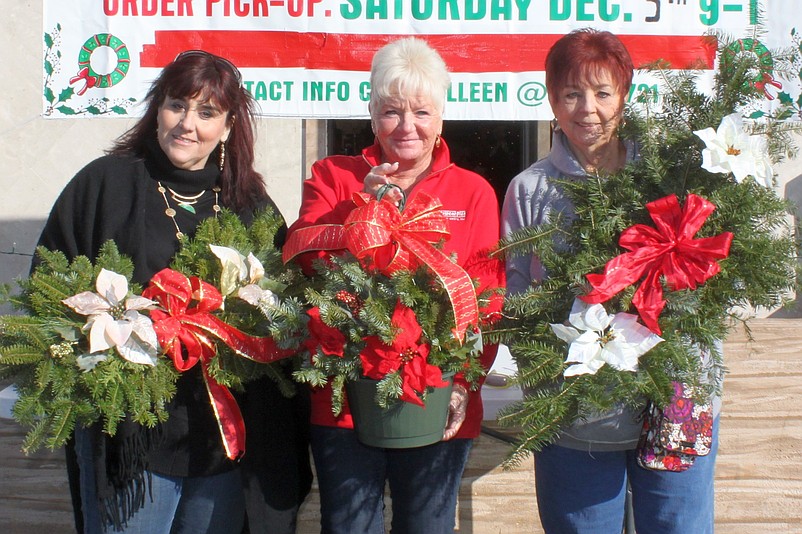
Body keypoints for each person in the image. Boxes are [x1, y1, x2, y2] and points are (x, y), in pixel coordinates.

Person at [36, 50, 311, 534]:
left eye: (207, 113)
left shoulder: (250, 205)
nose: (187, 124)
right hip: (135, 437)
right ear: (156, 109)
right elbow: (49, 283)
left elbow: (285, 309)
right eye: (176, 105)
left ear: (228, 127)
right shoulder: (103, 185)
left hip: (220, 444)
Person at [501, 29, 719, 533]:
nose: (588, 109)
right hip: (577, 415)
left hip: (673, 402)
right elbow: (518, 302)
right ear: (552, 100)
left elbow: (714, 275)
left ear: (626, 95)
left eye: (603, 92)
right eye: (572, 93)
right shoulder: (529, 189)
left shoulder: (669, 176)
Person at [284, 37, 504, 533]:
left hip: (437, 397)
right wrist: (364, 212)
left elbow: (487, 300)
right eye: (391, 112)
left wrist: (465, 384)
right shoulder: (334, 176)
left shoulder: (473, 191)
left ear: (442, 117)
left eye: (421, 112)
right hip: (344, 402)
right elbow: (302, 255)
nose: (407, 127)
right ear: (371, 114)